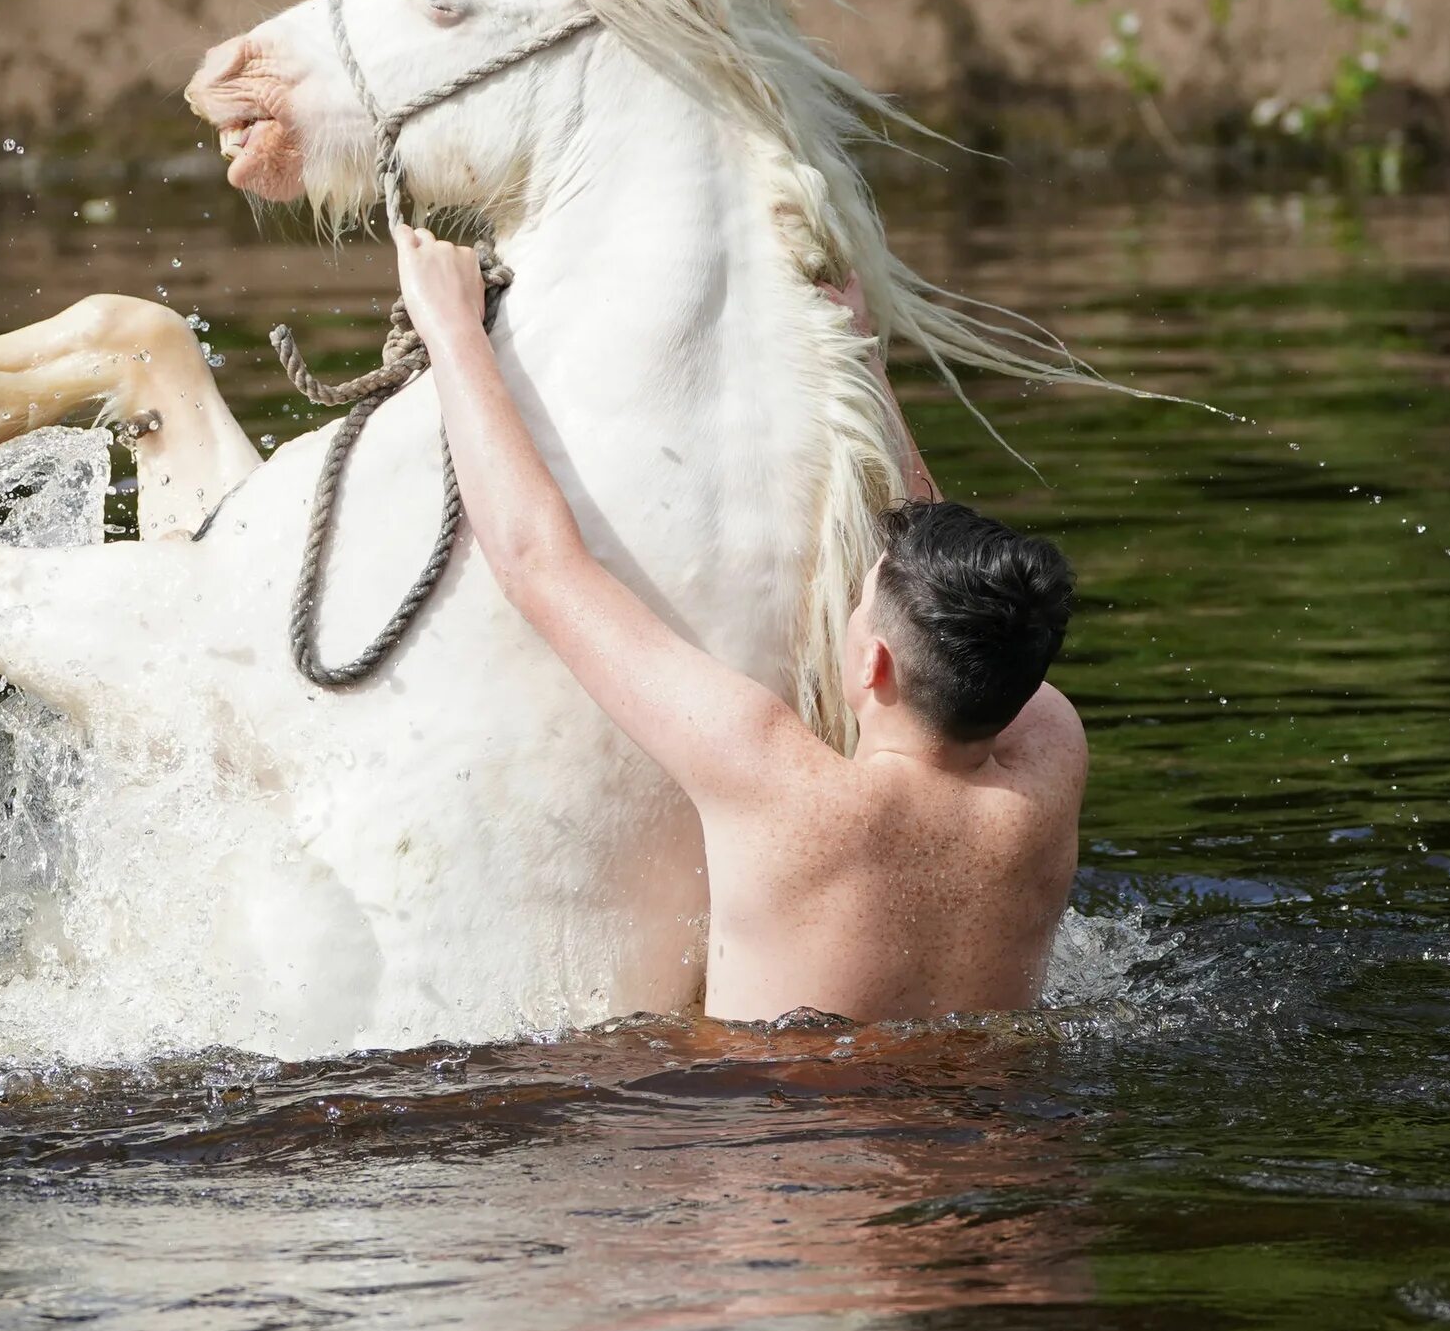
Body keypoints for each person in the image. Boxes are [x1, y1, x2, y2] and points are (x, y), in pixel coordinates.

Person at [393, 225, 1086, 1026]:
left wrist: (449, 330)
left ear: (874, 667)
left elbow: (536, 564)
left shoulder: (779, 784)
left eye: (859, 600)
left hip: (770, 1137)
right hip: (997, 1136)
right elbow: (938, 565)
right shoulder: (1049, 757)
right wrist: (857, 353)